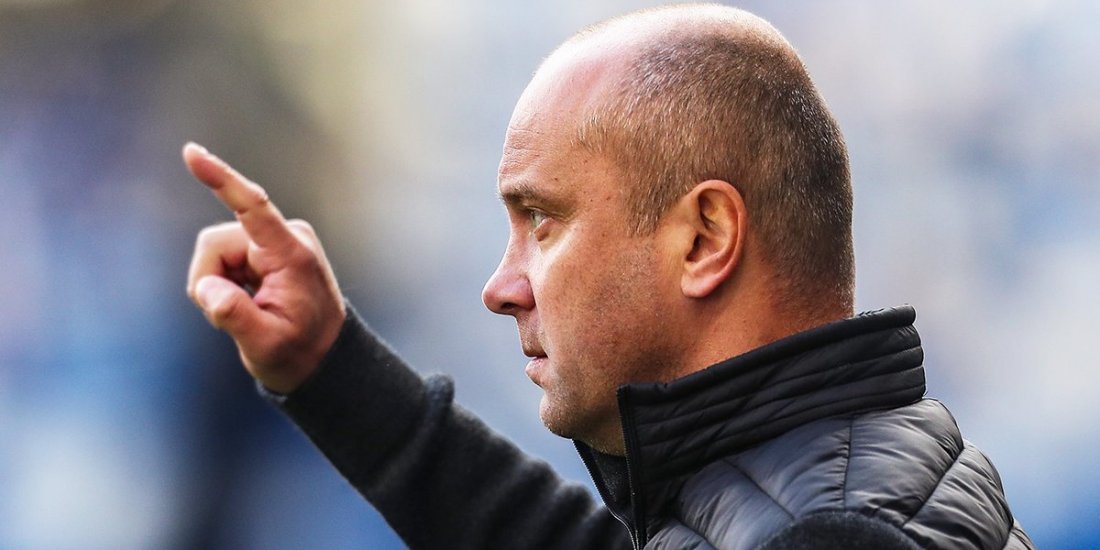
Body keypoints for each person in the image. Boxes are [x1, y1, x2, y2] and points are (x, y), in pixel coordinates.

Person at [183, 4, 1032, 549]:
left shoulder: (831, 536)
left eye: (541, 221)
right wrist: (327, 363)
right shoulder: (817, 486)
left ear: (704, 239)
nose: (501, 287)